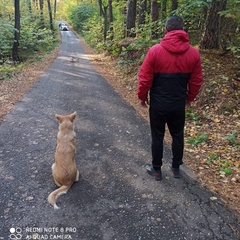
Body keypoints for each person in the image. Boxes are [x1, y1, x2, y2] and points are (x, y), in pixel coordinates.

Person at [138, 16, 203, 180]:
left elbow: (145, 79)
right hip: (178, 105)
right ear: (183, 31)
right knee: (177, 134)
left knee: (157, 136)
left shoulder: (155, 51)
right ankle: (176, 168)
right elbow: (196, 81)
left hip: (158, 105)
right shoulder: (194, 53)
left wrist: (142, 97)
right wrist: (189, 98)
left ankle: (156, 169)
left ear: (166, 30)